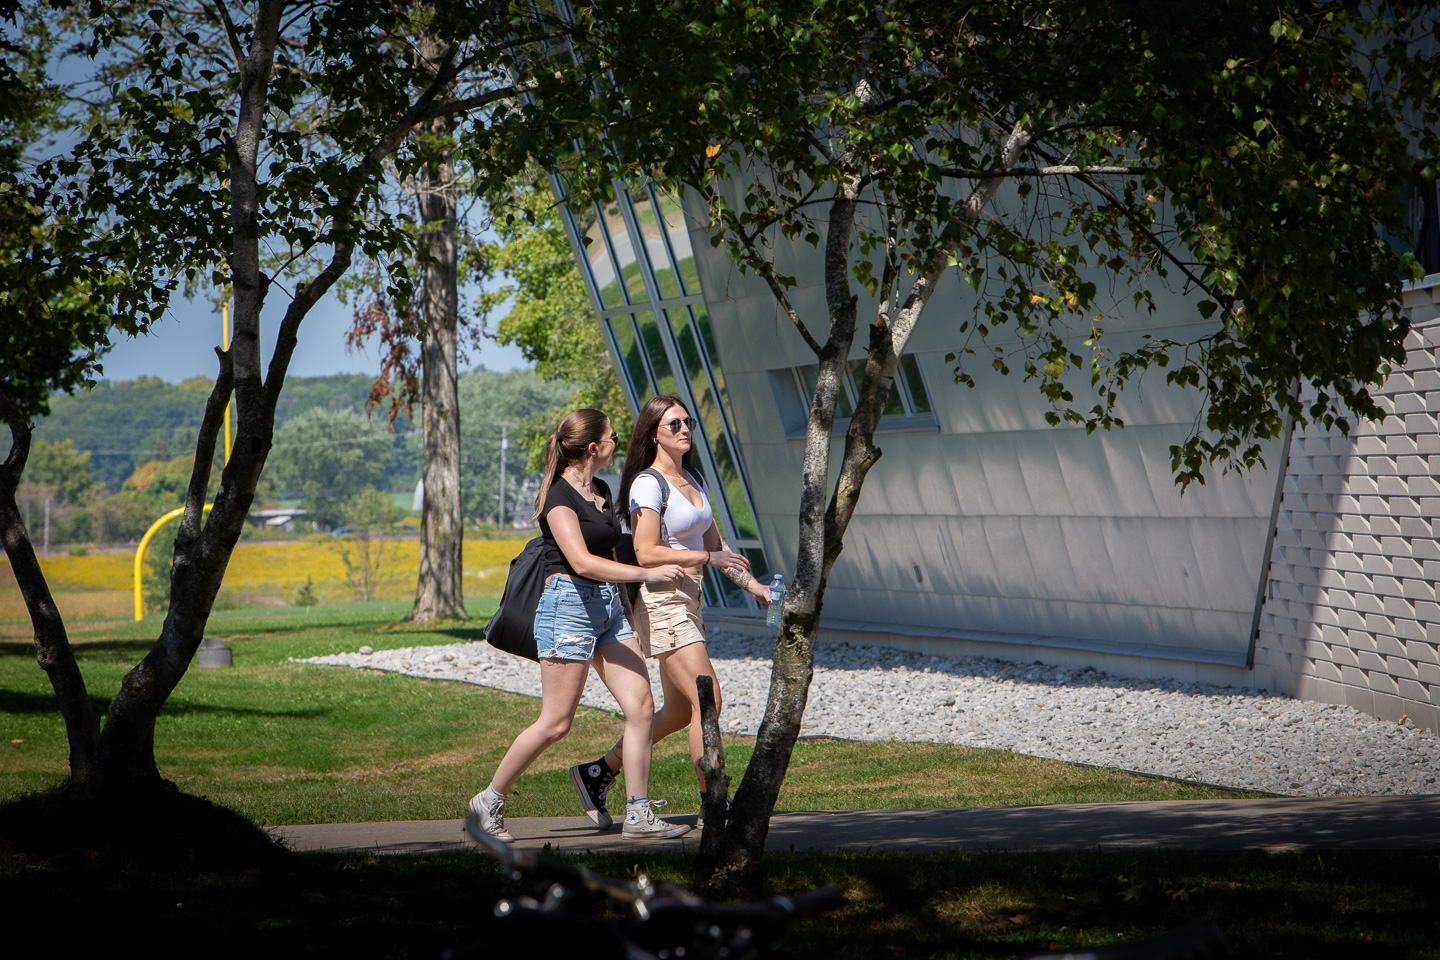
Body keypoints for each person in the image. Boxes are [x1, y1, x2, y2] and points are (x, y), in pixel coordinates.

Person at [470, 408, 691, 842]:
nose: (616, 440)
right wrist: (647, 574)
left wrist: (630, 605)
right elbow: (582, 561)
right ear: (594, 447)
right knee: (556, 723)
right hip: (566, 607)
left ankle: (639, 815)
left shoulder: (602, 490)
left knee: (641, 706)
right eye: (611, 436)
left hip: (607, 607)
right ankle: (489, 801)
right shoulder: (558, 498)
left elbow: (608, 558)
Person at [568, 396, 770, 827]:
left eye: (687, 422)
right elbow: (644, 551)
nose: (683, 429)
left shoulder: (694, 477)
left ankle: (598, 772)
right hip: (662, 602)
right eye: (673, 423)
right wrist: (705, 561)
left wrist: (754, 587)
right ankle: (714, 804)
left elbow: (716, 547)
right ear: (653, 432)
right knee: (708, 699)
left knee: (680, 712)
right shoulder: (648, 483)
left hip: (690, 600)